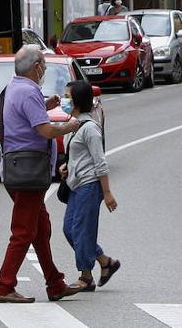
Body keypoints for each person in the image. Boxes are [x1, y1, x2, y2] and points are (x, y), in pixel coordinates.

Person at [0, 45, 85, 304]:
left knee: (40, 229)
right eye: (43, 64)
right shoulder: (29, 90)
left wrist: (46, 104)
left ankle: (55, 283)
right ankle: (4, 285)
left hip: (18, 168)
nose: (44, 68)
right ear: (36, 67)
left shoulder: (15, 87)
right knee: (24, 231)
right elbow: (44, 131)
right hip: (28, 172)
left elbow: (22, 115)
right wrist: (69, 125)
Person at [59, 80, 120, 292]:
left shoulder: (90, 128)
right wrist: (66, 167)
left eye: (67, 96)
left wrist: (107, 192)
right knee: (70, 229)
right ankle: (105, 261)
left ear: (77, 100)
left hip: (89, 186)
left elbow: (100, 161)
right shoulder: (73, 125)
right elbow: (78, 155)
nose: (64, 99)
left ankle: (86, 276)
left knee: (81, 230)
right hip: (76, 186)